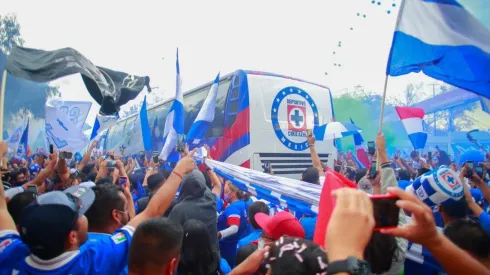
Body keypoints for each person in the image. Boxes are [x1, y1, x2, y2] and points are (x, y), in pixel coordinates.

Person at [0, 144, 197, 274]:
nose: (84, 213)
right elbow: (151, 212)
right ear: (72, 237)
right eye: (79, 214)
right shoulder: (94, 260)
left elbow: (1, 208)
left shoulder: (11, 252)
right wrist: (179, 171)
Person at [168, 169, 218, 251]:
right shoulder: (211, 200)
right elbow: (201, 183)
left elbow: (170, 236)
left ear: (184, 185)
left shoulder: (179, 210)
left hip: (189, 258)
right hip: (212, 255)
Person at [217, 182, 249, 266]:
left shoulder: (234, 207)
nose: (225, 195)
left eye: (227, 192)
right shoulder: (242, 204)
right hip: (236, 245)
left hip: (228, 248)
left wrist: (220, 234)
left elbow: (234, 228)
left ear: (233, 193)